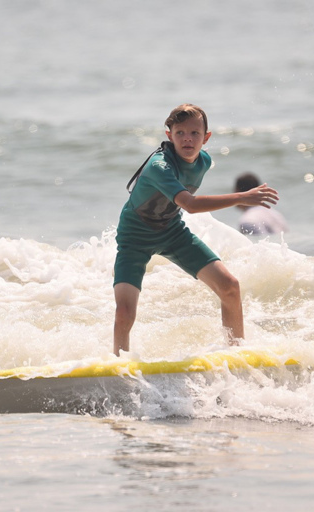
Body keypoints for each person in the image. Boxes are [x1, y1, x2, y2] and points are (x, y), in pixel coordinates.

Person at [113, 104, 280, 355]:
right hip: (135, 237)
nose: (187, 139)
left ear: (206, 137)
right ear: (169, 135)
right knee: (125, 312)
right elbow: (189, 204)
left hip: (172, 232)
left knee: (230, 287)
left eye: (194, 133)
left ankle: (237, 355)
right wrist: (240, 197)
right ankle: (117, 366)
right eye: (180, 133)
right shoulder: (159, 166)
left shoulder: (204, 161)